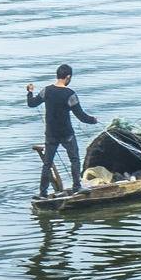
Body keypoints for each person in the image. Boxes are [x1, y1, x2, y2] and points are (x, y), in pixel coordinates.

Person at [26, 63, 98, 195]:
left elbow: (31, 104)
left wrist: (30, 92)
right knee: (74, 159)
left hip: (51, 134)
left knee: (47, 164)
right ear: (68, 77)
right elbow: (81, 116)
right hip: (67, 134)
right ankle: (77, 187)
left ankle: (42, 193)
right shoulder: (70, 94)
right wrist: (93, 120)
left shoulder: (46, 91)